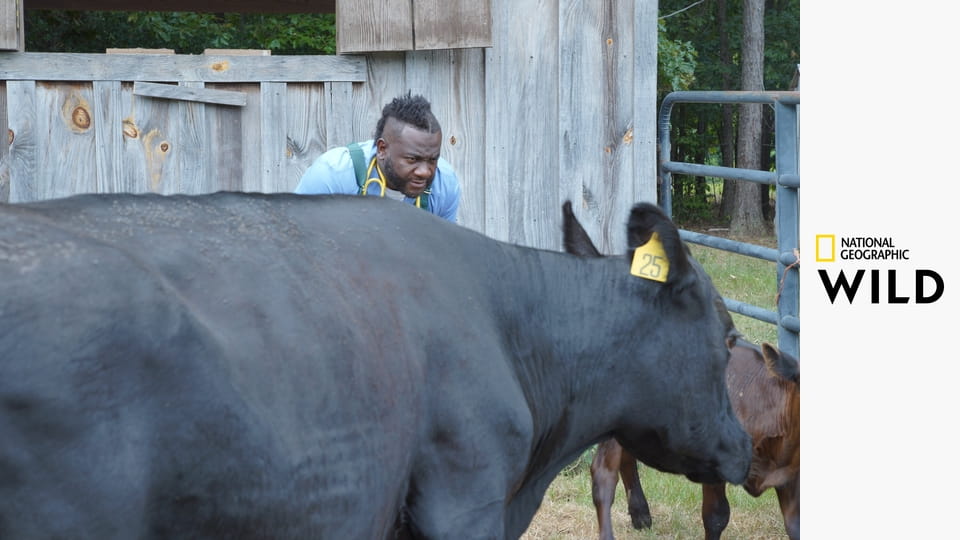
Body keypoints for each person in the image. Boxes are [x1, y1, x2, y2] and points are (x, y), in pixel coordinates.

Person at [295, 93, 461, 223]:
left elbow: (443, 254)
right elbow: (297, 241)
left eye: (432, 160)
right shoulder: (332, 175)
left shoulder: (445, 183)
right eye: (412, 159)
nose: (425, 172)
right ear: (382, 149)